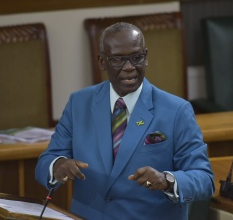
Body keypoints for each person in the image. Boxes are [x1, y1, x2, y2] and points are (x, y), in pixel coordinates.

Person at [35, 22, 214, 220]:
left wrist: (167, 180)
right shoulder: (79, 103)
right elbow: (46, 162)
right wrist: (58, 165)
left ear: (145, 58)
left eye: (136, 58)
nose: (129, 68)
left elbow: (204, 179)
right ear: (102, 61)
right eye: (119, 59)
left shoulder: (176, 111)